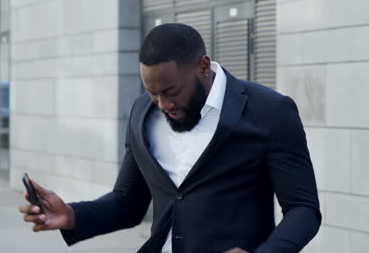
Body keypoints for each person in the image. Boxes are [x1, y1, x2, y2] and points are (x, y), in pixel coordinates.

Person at [19, 23, 321, 253]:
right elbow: (128, 203)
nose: (163, 104)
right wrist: (71, 214)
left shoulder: (269, 110)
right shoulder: (142, 112)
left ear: (203, 66)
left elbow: (303, 209)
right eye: (153, 93)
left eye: (171, 92)